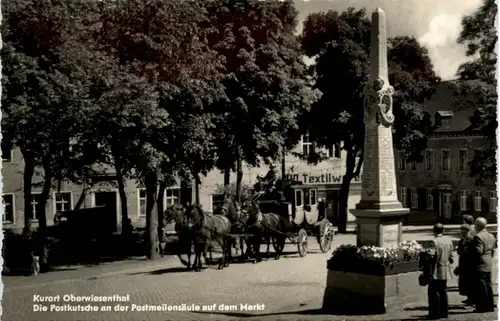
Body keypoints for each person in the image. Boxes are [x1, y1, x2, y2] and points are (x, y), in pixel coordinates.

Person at [426, 223, 454, 320]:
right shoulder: (449, 241)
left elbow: (431, 256)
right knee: (443, 290)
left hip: (437, 269)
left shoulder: (434, 242)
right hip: (445, 268)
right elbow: (451, 256)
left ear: (434, 231)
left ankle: (434, 313)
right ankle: (444, 312)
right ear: (443, 230)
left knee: (433, 291)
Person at [470, 217, 496, 313]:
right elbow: (493, 249)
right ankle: (490, 305)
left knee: (480, 286)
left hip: (480, 263)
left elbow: (478, 250)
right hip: (488, 261)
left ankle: (481, 307)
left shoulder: (477, 236)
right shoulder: (491, 235)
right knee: (488, 285)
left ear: (477, 226)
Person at [455, 224, 474, 306]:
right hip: (463, 263)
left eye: (464, 232)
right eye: (462, 232)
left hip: (470, 264)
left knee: (470, 282)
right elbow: (459, 251)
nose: (463, 234)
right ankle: (468, 298)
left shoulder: (472, 240)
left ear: (469, 231)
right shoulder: (461, 241)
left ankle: (472, 299)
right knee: (464, 282)